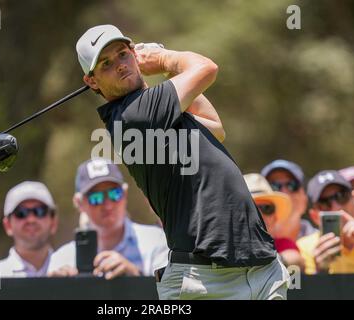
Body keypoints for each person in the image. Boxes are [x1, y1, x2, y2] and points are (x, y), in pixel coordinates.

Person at [75, 24, 289, 299]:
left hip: (263, 269)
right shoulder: (133, 116)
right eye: (106, 63)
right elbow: (206, 68)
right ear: (92, 81)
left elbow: (215, 127)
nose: (119, 65)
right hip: (206, 281)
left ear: (133, 52)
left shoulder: (155, 109)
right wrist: (164, 59)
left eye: (122, 54)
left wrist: (165, 71)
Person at [48, 158, 169, 279]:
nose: (108, 205)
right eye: (96, 198)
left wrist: (136, 277)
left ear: (125, 194)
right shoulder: (62, 260)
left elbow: (173, 293)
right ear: (79, 203)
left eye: (115, 194)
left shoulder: (157, 242)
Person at [297, 170, 354, 274]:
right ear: (314, 216)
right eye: (324, 203)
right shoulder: (305, 248)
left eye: (341, 196)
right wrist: (320, 272)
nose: (336, 207)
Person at [0, 181, 58, 277]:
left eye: (40, 211)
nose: (31, 220)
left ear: (53, 222)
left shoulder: (73, 271)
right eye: (21, 213)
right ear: (7, 225)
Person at [244, 173, 304, 270]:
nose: (260, 215)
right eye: (252, 208)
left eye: (267, 208)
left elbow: (296, 259)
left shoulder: (283, 244)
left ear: (275, 217)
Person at [261, 159, 316, 240]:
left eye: (292, 185)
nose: (284, 192)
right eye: (274, 186)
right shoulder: (249, 246)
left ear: (305, 199)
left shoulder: (326, 242)